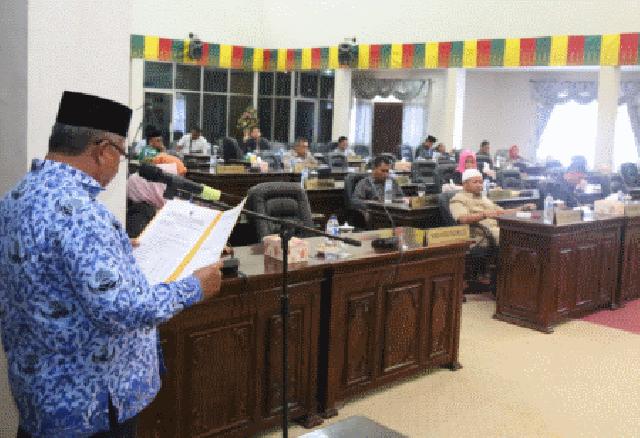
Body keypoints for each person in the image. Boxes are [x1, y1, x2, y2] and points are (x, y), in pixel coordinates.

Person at [0, 91, 223, 437]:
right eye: (121, 153)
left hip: (39, 396)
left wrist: (115, 248)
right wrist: (194, 287)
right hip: (90, 405)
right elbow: (121, 309)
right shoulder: (81, 214)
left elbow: (47, 266)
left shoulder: (17, 196)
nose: (120, 166)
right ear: (103, 150)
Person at [449, 168, 535, 244]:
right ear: (465, 184)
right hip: (481, 235)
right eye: (475, 182)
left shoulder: (484, 198)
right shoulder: (458, 199)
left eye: (481, 182)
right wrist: (484, 215)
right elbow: (462, 219)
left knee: (527, 232)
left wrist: (522, 208)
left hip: (497, 229)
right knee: (519, 238)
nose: (479, 185)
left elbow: (502, 212)